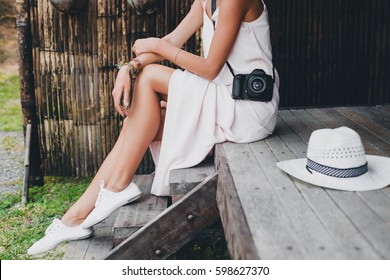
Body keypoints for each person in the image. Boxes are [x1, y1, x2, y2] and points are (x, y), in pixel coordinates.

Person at [27, 0, 279, 256]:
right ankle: (75, 218)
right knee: (137, 123)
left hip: (248, 107)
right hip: (223, 98)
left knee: (149, 78)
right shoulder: (204, 1)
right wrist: (129, 67)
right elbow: (173, 40)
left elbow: (210, 68)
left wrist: (155, 49)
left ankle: (118, 187)